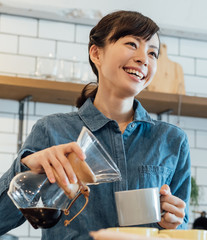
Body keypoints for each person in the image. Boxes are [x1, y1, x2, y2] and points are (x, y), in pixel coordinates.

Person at [0, 10, 191, 239]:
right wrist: (27, 167)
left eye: (153, 53)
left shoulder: (172, 140)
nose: (144, 58)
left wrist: (174, 222)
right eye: (132, 43)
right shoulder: (51, 130)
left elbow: (180, 227)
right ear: (96, 53)